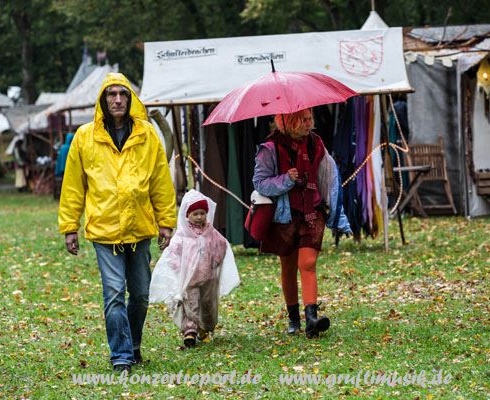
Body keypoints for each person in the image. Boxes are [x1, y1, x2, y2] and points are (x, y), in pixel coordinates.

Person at [58, 72, 177, 373]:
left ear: (131, 99)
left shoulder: (147, 134)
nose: (118, 99)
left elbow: (160, 180)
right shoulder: (85, 136)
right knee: (113, 294)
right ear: (103, 100)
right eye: (111, 94)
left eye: (123, 94)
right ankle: (121, 356)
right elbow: (73, 185)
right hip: (104, 228)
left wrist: (166, 221)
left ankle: (133, 345)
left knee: (140, 295)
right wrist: (70, 226)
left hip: (140, 227)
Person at [253, 108, 351, 339]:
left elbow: (329, 177)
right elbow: (260, 183)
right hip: (284, 216)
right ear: (290, 122)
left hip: (312, 212)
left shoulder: (316, 144)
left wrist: (338, 214)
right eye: (304, 120)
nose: (309, 124)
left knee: (307, 263)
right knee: (288, 268)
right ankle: (294, 318)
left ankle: (311, 319)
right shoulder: (270, 148)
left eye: (310, 119)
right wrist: (286, 179)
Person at [149, 190, 240, 348]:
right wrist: (179, 269)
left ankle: (204, 327)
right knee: (191, 304)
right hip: (190, 280)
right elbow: (173, 254)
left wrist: (215, 262)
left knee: (207, 304)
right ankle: (189, 331)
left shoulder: (211, 233)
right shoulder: (182, 235)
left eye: (202, 213)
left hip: (209, 278)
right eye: (195, 214)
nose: (199, 217)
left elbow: (221, 245)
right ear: (187, 215)